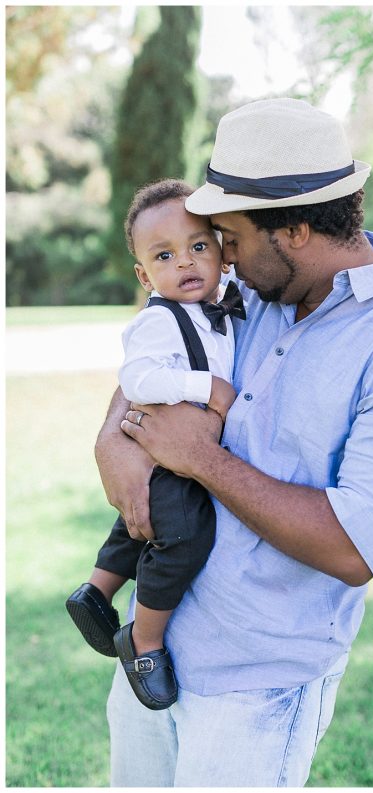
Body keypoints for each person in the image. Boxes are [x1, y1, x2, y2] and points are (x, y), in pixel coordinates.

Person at [96, 98, 373, 786]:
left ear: (295, 228)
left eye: (229, 237)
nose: (220, 255)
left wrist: (202, 460)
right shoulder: (254, 283)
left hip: (259, 688)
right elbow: (162, 347)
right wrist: (111, 437)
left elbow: (353, 547)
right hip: (155, 648)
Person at [66, 178, 244, 711]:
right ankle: (143, 640)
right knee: (184, 535)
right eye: (165, 256)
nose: (185, 264)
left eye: (197, 247)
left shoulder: (224, 307)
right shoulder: (158, 321)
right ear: (144, 274)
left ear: (222, 254)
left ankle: (96, 591)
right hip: (170, 452)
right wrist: (204, 388)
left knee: (141, 521)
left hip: (174, 454)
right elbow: (139, 380)